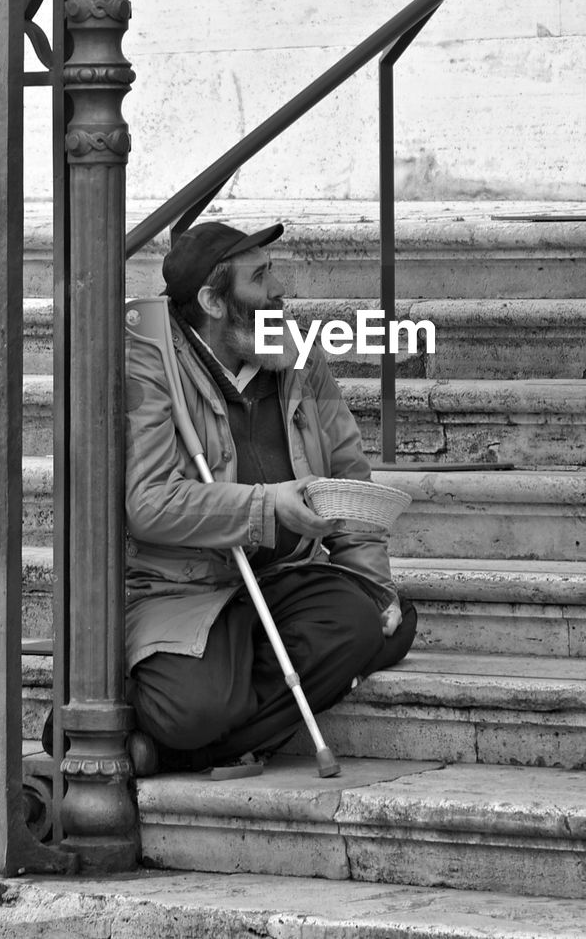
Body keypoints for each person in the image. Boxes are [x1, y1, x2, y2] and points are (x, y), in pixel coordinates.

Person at [123, 218, 417, 773]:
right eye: (260, 278)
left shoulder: (299, 359)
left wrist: (376, 585)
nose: (278, 292)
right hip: (184, 591)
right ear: (213, 300)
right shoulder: (153, 363)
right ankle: (192, 730)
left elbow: (347, 481)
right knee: (193, 711)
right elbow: (150, 503)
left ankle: (167, 750)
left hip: (283, 579)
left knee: (377, 624)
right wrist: (266, 505)